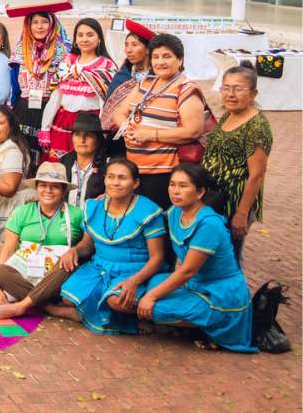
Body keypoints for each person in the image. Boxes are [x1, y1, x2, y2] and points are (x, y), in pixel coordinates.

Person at [138, 164, 255, 352]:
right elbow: (151, 216)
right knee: (155, 281)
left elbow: (188, 271)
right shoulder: (176, 211)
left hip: (219, 293)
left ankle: (213, 327)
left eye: (183, 186)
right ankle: (194, 323)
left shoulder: (208, 224)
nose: (175, 191)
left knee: (154, 308)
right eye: (172, 184)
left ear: (200, 192)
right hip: (195, 284)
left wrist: (151, 297)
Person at [59, 158, 167, 336]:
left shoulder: (148, 212)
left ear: (135, 183)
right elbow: (87, 244)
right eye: (111, 177)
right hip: (100, 266)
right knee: (68, 298)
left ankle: (141, 317)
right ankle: (79, 312)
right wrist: (74, 250)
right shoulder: (95, 207)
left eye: (122, 178)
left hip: (135, 270)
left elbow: (157, 258)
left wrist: (135, 281)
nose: (115, 182)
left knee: (116, 300)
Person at [113, 33, 207, 209]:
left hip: (163, 173)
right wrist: (127, 129)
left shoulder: (186, 90)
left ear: (180, 60)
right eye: (155, 57)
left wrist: (150, 134)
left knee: (158, 223)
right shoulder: (146, 83)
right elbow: (119, 113)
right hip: (134, 169)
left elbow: (193, 131)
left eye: (167, 56)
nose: (160, 62)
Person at [0, 162, 85, 321]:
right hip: (27, 273)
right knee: (0, 270)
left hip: (58, 278)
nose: (48, 190)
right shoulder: (22, 212)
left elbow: (86, 246)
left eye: (55, 187)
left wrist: (74, 252)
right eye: (43, 185)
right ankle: (51, 308)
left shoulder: (76, 215)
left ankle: (21, 306)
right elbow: (8, 249)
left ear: (63, 191)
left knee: (67, 264)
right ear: (36, 188)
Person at [202, 65, 272, 261]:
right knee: (209, 255)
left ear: (253, 94)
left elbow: (257, 174)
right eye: (226, 87)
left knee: (228, 258)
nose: (230, 94)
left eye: (238, 89)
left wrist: (241, 213)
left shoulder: (256, 127)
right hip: (214, 197)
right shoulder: (228, 115)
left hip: (234, 200)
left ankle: (234, 291)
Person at [42, 18, 116, 160]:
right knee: (60, 166)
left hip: (92, 124)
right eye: (80, 35)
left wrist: (104, 127)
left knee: (87, 163)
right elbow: (56, 98)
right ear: (75, 40)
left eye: (90, 34)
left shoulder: (107, 66)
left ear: (99, 38)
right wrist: (45, 127)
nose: (84, 39)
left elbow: (107, 103)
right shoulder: (67, 63)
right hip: (64, 122)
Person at [10, 9, 70, 164]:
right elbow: (14, 86)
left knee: (46, 159)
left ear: (52, 25)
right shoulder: (20, 50)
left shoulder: (64, 53)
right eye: (35, 22)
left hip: (51, 110)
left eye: (44, 22)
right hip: (23, 109)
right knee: (20, 155)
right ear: (28, 25)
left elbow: (64, 87)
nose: (39, 26)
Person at [61, 113, 107, 209]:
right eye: (77, 134)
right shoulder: (63, 163)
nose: (82, 140)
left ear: (98, 140)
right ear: (72, 138)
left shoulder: (107, 167)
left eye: (88, 135)